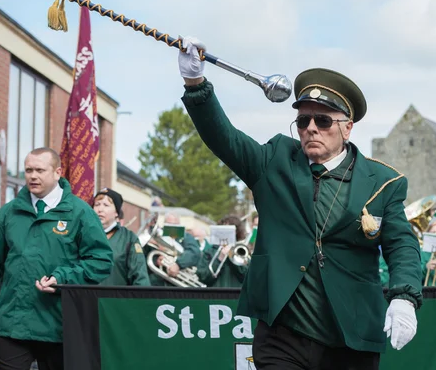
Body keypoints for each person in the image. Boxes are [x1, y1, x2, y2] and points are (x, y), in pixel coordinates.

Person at [177, 37, 422, 369]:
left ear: (347, 128)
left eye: (323, 121)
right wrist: (196, 85)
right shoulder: (275, 159)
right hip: (283, 336)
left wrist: (404, 297)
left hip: (350, 338)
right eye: (303, 120)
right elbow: (225, 139)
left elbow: (401, 245)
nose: (310, 128)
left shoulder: (383, 181)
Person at [0, 147, 114, 370]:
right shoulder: (8, 213)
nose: (32, 176)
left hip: (59, 325)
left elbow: (101, 260)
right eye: (28, 170)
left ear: (57, 172)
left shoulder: (80, 212)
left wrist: (61, 278)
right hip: (11, 324)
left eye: (40, 170)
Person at [92, 188, 150, 286]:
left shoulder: (129, 238)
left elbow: (140, 277)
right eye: (97, 204)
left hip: (116, 300)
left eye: (106, 205)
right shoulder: (84, 235)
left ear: (116, 213)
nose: (100, 209)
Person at [146, 212, 201, 287]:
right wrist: (156, 261)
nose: (172, 228)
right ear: (164, 224)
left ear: (179, 224)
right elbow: (145, 258)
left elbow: (194, 252)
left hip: (178, 285)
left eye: (175, 224)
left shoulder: (186, 237)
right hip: (157, 283)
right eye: (169, 224)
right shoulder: (158, 236)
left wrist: (178, 264)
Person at [196, 215, 249, 288]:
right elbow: (202, 277)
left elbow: (247, 277)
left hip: (236, 296)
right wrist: (219, 259)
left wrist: (231, 256)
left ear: (237, 232)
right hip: (215, 296)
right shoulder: (209, 251)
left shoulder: (242, 251)